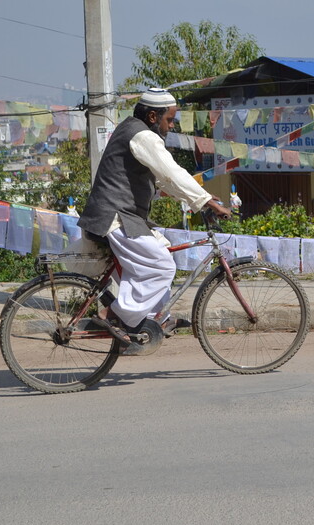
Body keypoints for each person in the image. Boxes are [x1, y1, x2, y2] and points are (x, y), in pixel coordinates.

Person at [77, 87, 231, 344]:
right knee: (161, 266)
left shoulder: (133, 130)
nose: (171, 126)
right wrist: (204, 200)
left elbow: (165, 180)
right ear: (152, 117)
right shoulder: (143, 136)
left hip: (118, 217)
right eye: (169, 119)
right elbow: (171, 172)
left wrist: (202, 200)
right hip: (115, 217)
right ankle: (113, 315)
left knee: (162, 248)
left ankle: (157, 317)